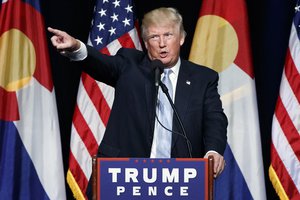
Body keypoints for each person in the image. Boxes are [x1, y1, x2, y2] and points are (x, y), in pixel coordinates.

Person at [48, 7, 228, 178]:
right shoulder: (130, 64)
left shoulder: (203, 78)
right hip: (126, 174)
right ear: (146, 42)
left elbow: (215, 119)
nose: (162, 43)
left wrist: (213, 150)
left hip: (179, 176)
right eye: (154, 37)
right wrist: (75, 47)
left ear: (181, 38)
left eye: (168, 35)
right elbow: (101, 63)